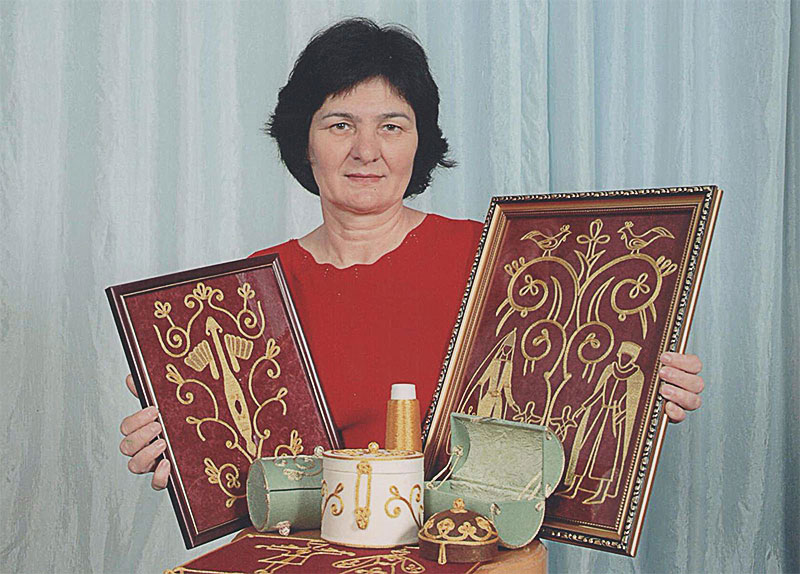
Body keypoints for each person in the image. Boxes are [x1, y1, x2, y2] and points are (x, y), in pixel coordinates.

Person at [118, 18, 706, 490]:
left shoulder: (500, 257)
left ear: (420, 140)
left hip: (473, 548)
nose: (366, 150)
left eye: (392, 126)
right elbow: (249, 461)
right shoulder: (253, 289)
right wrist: (186, 448)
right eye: (340, 124)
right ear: (304, 140)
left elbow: (568, 397)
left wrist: (638, 385)